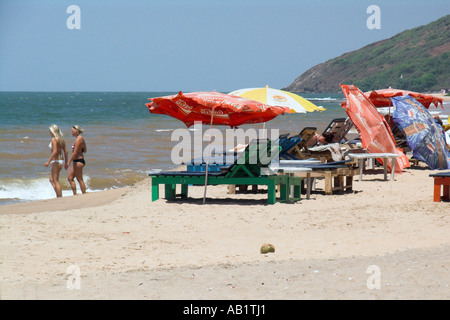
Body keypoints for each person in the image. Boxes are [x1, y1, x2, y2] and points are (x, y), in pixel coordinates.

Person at [45, 124, 68, 198]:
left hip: (56, 161)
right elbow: (66, 152)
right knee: (51, 180)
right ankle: (58, 195)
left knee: (55, 180)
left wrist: (48, 161)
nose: (49, 133)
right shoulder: (61, 139)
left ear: (53, 131)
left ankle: (59, 197)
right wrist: (66, 162)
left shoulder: (54, 139)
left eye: (50, 131)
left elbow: (54, 151)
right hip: (60, 160)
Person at [66, 125, 87, 195]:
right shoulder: (79, 139)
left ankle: (84, 194)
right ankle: (75, 194)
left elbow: (75, 152)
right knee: (70, 178)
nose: (71, 132)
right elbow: (85, 150)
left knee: (79, 179)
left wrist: (68, 162)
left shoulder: (79, 139)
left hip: (79, 161)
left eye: (72, 131)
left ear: (76, 131)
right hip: (76, 161)